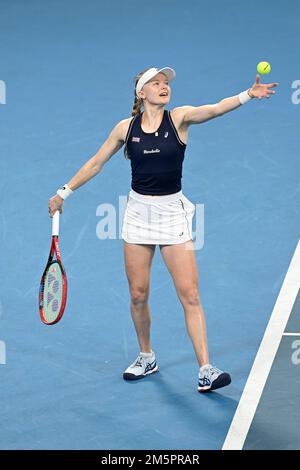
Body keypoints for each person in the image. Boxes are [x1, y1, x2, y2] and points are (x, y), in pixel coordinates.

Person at [48, 66, 278, 392]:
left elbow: (212, 110)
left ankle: (206, 369)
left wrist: (246, 95)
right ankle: (146, 356)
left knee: (190, 294)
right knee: (138, 294)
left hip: (173, 215)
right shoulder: (125, 128)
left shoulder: (180, 118)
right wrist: (64, 192)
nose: (163, 86)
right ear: (141, 93)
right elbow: (96, 162)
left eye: (166, 82)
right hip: (138, 215)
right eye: (155, 83)